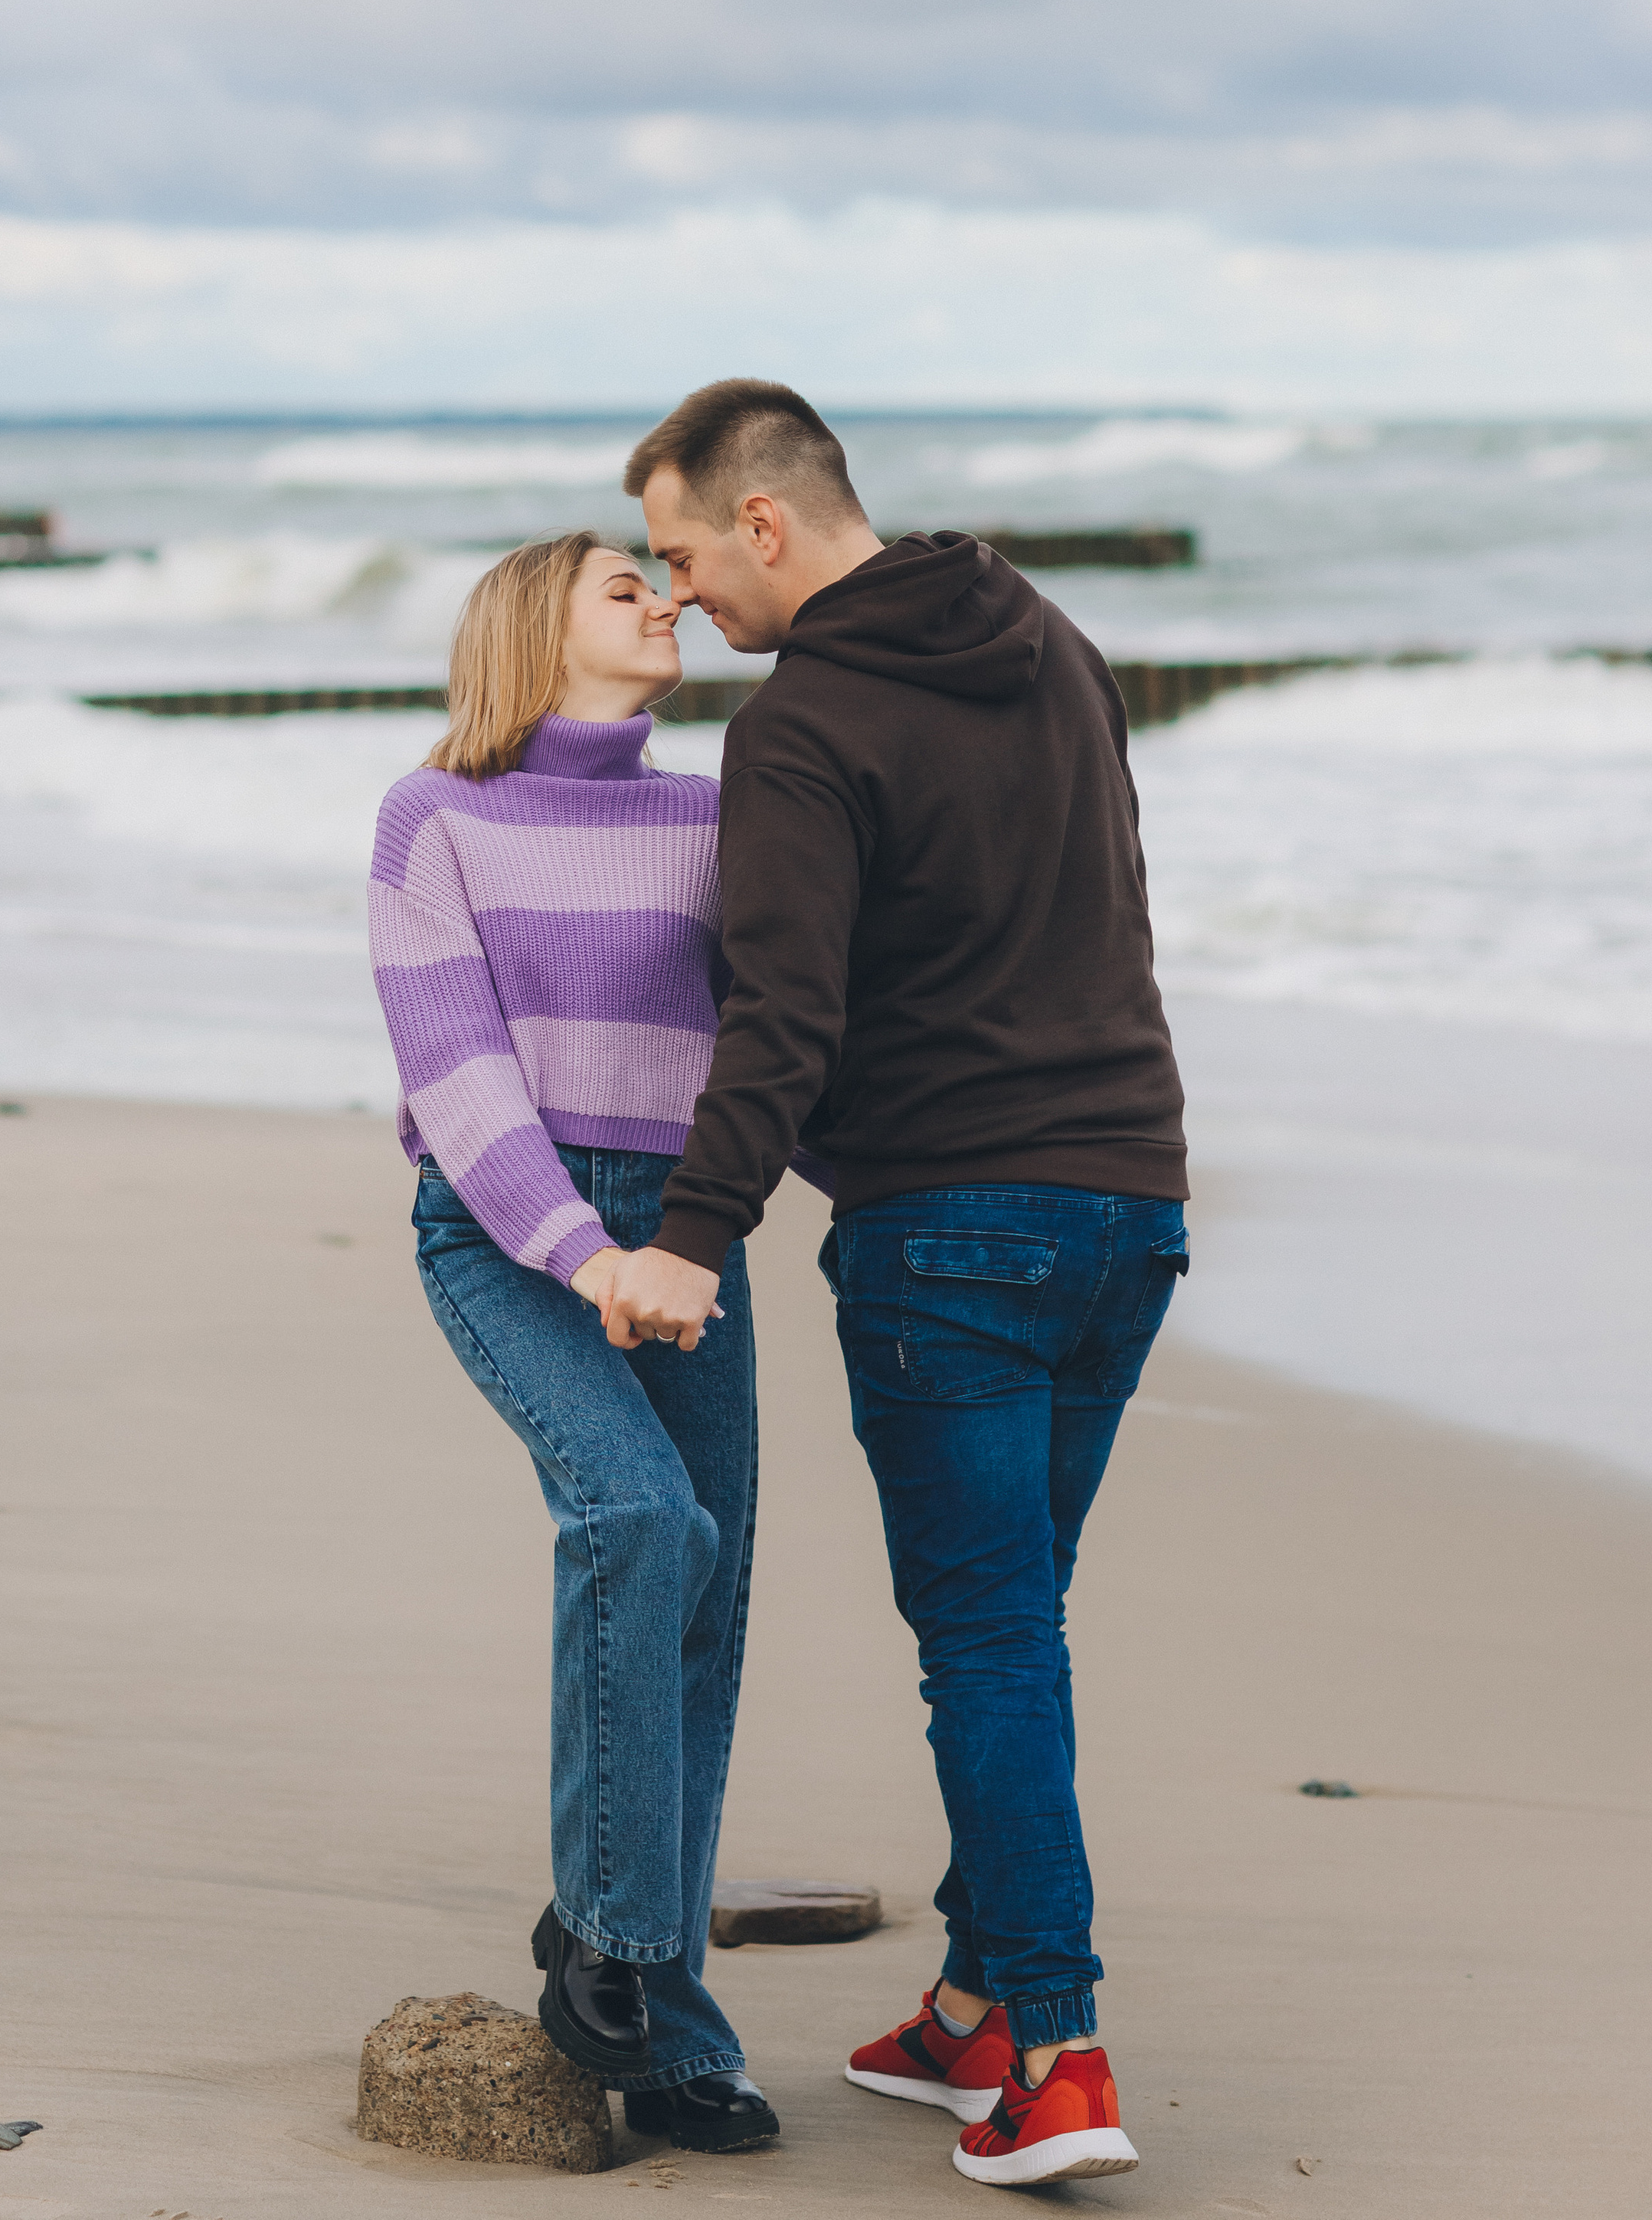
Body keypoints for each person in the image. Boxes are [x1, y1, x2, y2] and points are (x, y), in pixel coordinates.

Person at [604, 381, 1190, 2192]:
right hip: (1132, 1206)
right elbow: (1114, 902)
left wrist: (689, 1237)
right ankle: (966, 2011)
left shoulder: (803, 730)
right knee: (1015, 1621)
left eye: (687, 554)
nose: (682, 598)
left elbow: (784, 1018)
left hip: (954, 1233)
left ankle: (1060, 2053)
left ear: (764, 523)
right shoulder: (1053, 639)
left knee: (992, 1641)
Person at [366, 531, 780, 2153]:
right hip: (506, 1232)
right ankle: (615, 1947)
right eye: (627, 584)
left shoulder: (714, 818)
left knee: (703, 1597)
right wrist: (585, 1255)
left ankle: (656, 2015)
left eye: (664, 583)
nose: (666, 600)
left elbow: (772, 1043)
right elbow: (456, 1067)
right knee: (635, 1517)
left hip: (678, 1241)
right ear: (533, 628)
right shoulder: (434, 818)